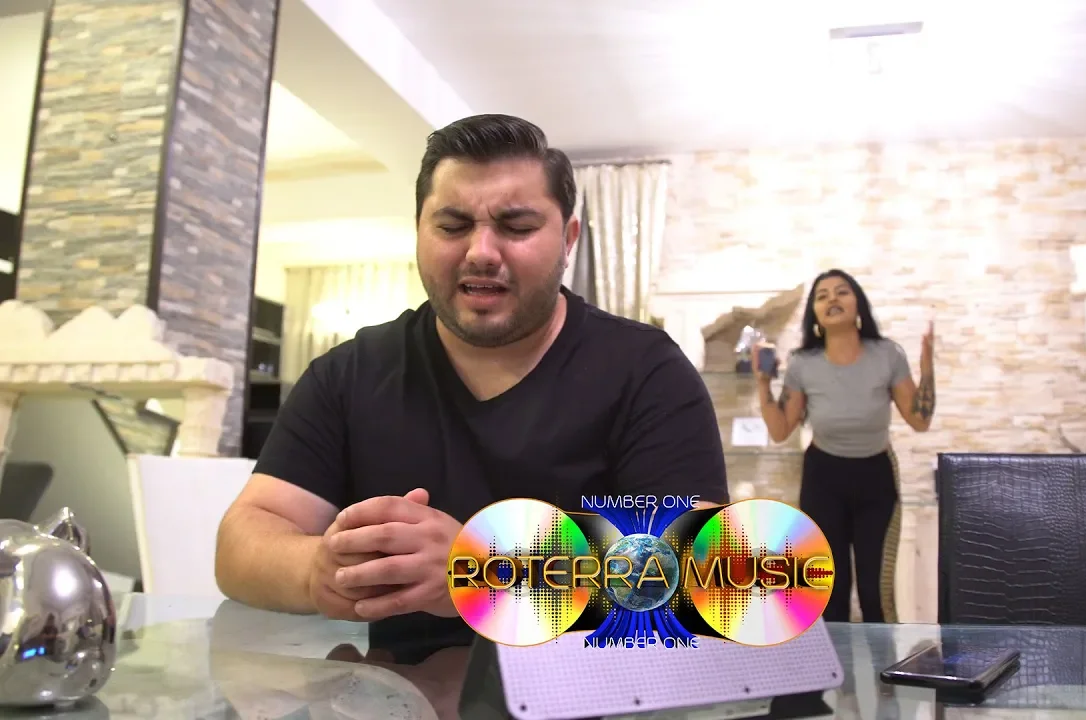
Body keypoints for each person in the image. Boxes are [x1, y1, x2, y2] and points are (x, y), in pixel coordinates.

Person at [215, 114, 730, 662]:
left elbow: (707, 577)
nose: (481, 251)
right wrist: (317, 569)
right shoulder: (349, 373)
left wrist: (484, 573)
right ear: (419, 231)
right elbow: (242, 542)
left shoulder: (645, 371)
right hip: (389, 692)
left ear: (568, 240)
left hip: (591, 689)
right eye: (453, 225)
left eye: (517, 226)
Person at [753, 269, 935, 623]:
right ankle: (835, 662)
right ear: (815, 314)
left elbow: (920, 420)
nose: (832, 299)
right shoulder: (803, 363)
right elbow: (780, 429)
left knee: (875, 594)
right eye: (822, 296)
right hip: (824, 480)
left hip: (875, 478)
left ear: (858, 304)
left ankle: (884, 663)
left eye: (841, 292)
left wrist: (927, 370)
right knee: (830, 595)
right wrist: (763, 384)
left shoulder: (887, 355)